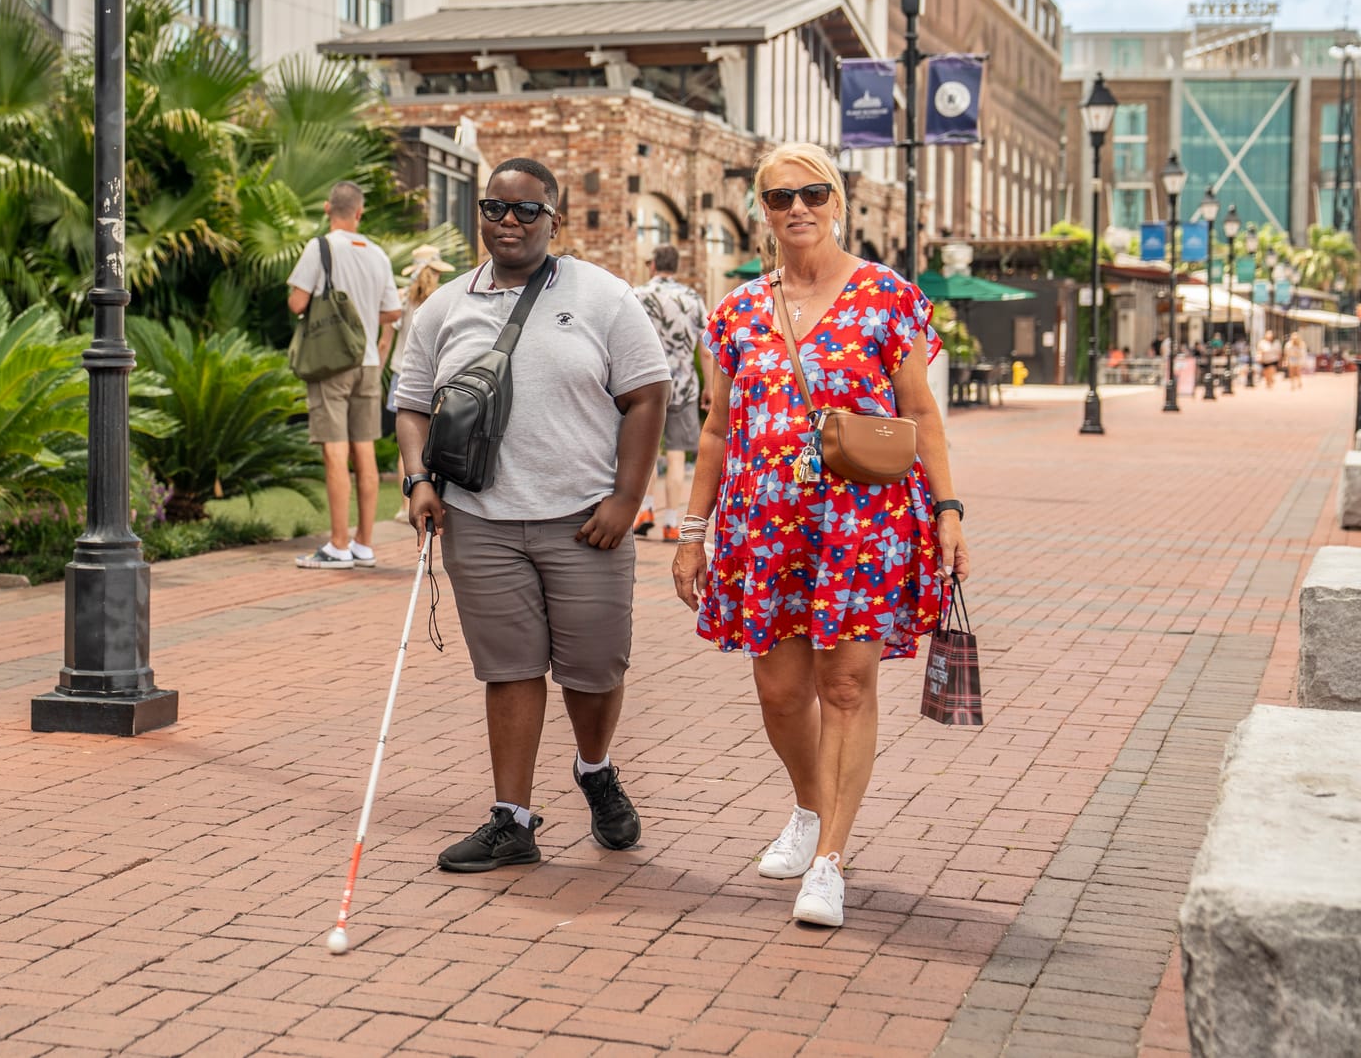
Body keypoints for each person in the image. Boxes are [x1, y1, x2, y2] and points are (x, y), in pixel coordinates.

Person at [670, 141, 970, 931]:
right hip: (763, 531)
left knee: (845, 686)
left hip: (862, 527)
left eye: (812, 192)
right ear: (760, 212)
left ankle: (831, 856)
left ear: (837, 201)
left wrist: (948, 510)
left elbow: (921, 413)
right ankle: (808, 808)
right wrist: (691, 531)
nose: (796, 208)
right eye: (778, 197)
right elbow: (716, 430)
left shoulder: (887, 297)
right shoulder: (737, 309)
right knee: (779, 693)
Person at [397, 157, 670, 873]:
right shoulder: (446, 305)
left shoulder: (603, 295)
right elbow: (411, 402)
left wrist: (625, 500)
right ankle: (511, 819)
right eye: (494, 208)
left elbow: (648, 394)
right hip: (481, 519)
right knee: (510, 668)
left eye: (526, 210)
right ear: (478, 216)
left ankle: (594, 768)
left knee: (593, 668)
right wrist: (417, 479)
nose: (508, 222)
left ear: (556, 217)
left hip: (586, 520)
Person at [287, 181, 403, 570]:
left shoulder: (320, 248)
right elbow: (391, 313)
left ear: (326, 208)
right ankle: (364, 544)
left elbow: (297, 301)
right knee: (364, 448)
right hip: (368, 362)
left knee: (335, 452)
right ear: (359, 213)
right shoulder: (377, 254)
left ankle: (337, 545)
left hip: (331, 363)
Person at [633, 244, 714, 542]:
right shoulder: (692, 299)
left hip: (646, 384)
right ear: (676, 265)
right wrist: (709, 386)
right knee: (678, 454)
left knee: (648, 450)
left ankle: (646, 510)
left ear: (653, 264)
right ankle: (670, 523)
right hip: (684, 385)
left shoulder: (638, 295)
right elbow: (705, 349)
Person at [386, 244, 454, 524]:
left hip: (401, 373)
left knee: (407, 442)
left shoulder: (402, 300)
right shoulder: (441, 300)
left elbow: (384, 342)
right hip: (434, 378)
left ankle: (406, 503)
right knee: (432, 440)